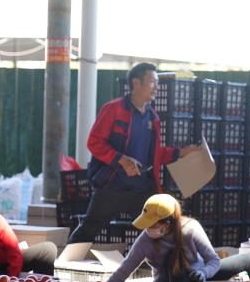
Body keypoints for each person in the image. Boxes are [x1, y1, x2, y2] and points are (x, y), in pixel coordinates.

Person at [64, 62, 200, 247]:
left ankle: (165, 271)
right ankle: (61, 266)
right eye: (153, 82)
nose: (157, 87)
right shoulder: (113, 109)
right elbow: (94, 142)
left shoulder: (153, 117)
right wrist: (122, 160)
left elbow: (155, 155)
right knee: (89, 230)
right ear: (136, 83)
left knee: (163, 228)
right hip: (112, 186)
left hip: (141, 189)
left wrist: (181, 152)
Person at [106, 193, 250, 282]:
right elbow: (124, 269)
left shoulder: (190, 230)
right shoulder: (146, 240)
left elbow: (213, 260)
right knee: (172, 259)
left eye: (154, 224)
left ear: (168, 223)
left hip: (195, 276)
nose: (149, 228)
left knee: (249, 259)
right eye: (147, 225)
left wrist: (203, 272)